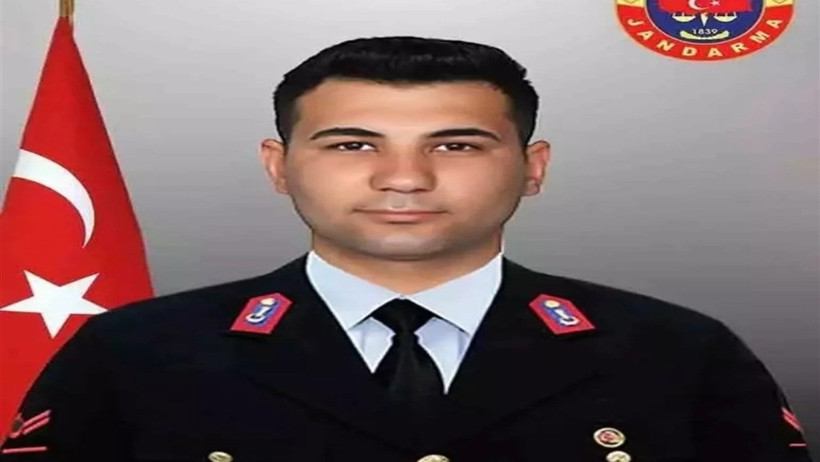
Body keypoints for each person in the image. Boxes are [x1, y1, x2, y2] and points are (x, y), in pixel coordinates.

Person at [0, 36, 812, 462]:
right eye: (352, 145)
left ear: (533, 168)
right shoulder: (136, 351)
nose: (404, 178)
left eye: (456, 146)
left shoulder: (676, 352)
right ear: (278, 166)